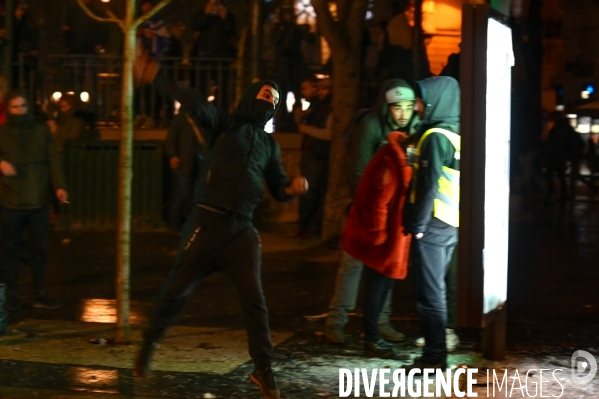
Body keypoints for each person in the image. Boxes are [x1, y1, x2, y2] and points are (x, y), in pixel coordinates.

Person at [132, 55, 308, 399]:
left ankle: (264, 371)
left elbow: (279, 188)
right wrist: (158, 78)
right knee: (176, 291)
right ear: (250, 96)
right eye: (265, 95)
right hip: (207, 223)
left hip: (240, 231)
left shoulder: (270, 146)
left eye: (274, 100)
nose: (269, 101)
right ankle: (148, 345)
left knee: (254, 301)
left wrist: (292, 189)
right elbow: (195, 104)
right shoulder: (226, 125)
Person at [324, 79, 419, 344]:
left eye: (408, 107)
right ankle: (336, 322)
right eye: (396, 107)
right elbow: (357, 170)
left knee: (387, 264)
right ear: (386, 106)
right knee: (352, 262)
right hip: (366, 209)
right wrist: (366, 210)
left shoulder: (411, 129)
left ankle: (381, 321)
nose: (402, 114)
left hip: (393, 214)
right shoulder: (370, 125)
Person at [403, 76, 460, 371]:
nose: (417, 106)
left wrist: (418, 225)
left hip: (434, 223)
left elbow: (427, 185)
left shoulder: (435, 136)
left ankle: (435, 358)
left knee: (430, 293)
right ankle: (436, 354)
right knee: (435, 290)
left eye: (422, 100)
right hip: (451, 223)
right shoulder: (456, 133)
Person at [341, 130, 412, 359]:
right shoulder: (390, 161)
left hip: (392, 237)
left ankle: (371, 335)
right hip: (385, 238)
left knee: (381, 286)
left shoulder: (396, 157)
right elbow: (379, 200)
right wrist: (378, 237)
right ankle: (371, 337)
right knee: (376, 286)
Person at [0, 89, 68, 312]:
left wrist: (59, 186)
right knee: (10, 249)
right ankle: (12, 296)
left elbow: (53, 158)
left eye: (23, 106)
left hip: (37, 198)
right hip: (11, 199)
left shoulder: (40, 131)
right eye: (15, 107)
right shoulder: (2, 132)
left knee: (40, 248)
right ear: (8, 110)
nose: (20, 111)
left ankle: (39, 291)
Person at [295, 78, 332, 239]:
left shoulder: (329, 109)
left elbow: (328, 134)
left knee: (311, 192)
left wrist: (307, 129)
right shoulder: (318, 107)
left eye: (325, 89)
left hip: (318, 155)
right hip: (311, 152)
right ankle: (306, 227)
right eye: (320, 89)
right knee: (309, 192)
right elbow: (302, 126)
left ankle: (309, 228)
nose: (321, 92)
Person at [164, 111, 205, 232]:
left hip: (192, 162)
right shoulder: (182, 120)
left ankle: (179, 221)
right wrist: (173, 155)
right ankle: (175, 222)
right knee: (183, 193)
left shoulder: (195, 119)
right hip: (187, 162)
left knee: (187, 193)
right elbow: (171, 140)